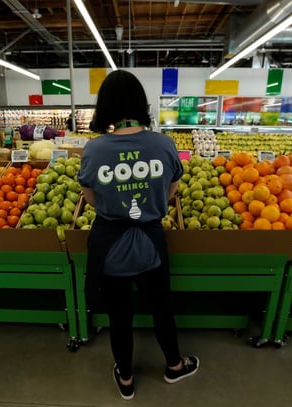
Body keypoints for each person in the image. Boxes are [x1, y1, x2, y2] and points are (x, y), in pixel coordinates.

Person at [77, 70, 199, 400]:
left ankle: (126, 378)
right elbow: (172, 190)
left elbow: (90, 198)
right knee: (161, 307)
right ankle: (175, 365)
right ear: (141, 104)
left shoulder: (95, 150)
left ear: (104, 107)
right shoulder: (163, 144)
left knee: (119, 315)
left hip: (110, 242)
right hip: (151, 242)